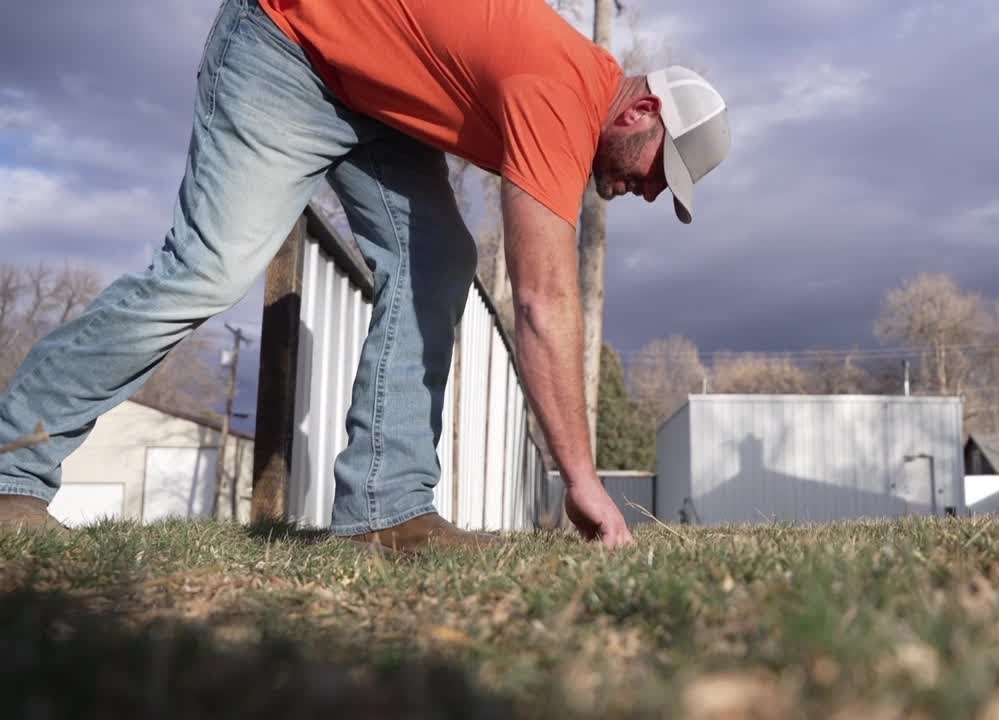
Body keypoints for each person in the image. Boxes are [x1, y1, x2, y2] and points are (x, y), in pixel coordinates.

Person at [0, 0, 730, 550]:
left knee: (438, 261)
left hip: (376, 97)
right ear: (639, 110)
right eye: (658, 171)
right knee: (207, 272)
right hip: (287, 44)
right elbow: (544, 301)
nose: (648, 192)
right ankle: (11, 471)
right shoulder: (558, 92)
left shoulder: (569, 87)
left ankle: (386, 509)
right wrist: (583, 481)